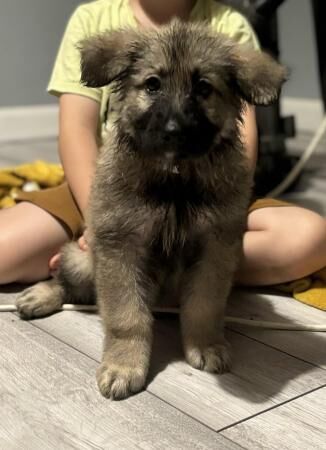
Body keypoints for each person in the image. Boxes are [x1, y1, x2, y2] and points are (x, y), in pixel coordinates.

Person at [0, 0, 325, 287]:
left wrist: (215, 218)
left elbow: (243, 138)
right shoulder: (93, 18)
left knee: (311, 239)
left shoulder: (229, 25)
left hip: (206, 191)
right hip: (108, 186)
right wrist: (99, 225)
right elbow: (76, 131)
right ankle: (150, 274)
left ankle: (139, 278)